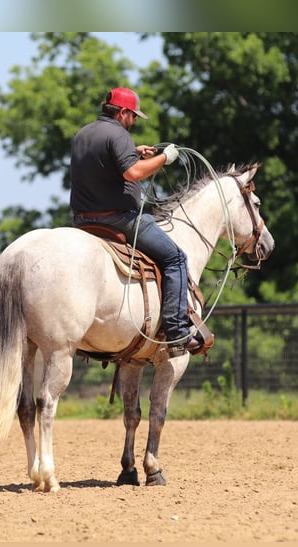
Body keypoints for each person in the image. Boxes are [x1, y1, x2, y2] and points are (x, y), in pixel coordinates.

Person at [70, 87, 202, 356]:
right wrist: (164, 158)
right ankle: (177, 332)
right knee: (176, 257)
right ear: (122, 113)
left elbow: (107, 164)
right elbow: (132, 174)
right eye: (133, 117)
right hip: (118, 220)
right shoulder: (118, 134)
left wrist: (134, 151)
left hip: (84, 220)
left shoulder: (83, 133)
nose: (134, 123)